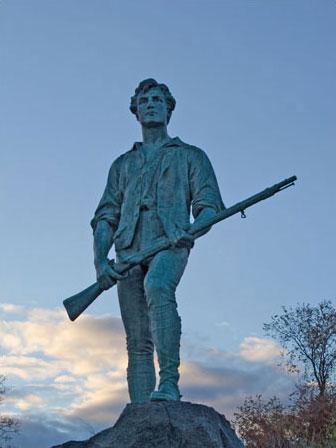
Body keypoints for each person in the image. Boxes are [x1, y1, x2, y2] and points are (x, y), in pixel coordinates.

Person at [91, 79, 224, 403]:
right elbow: (106, 215)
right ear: (135, 110)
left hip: (170, 241)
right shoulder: (122, 164)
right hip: (128, 247)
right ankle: (138, 414)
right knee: (137, 339)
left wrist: (192, 228)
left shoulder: (191, 156)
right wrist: (100, 261)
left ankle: (169, 384)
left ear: (169, 108)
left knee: (158, 286)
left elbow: (209, 206)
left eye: (157, 99)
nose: (150, 104)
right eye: (144, 100)